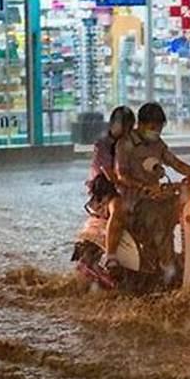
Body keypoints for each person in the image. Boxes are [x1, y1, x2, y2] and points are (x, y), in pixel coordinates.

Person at [109, 102, 190, 275]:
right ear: (140, 124)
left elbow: (176, 163)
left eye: (159, 128)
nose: (156, 132)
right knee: (160, 219)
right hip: (135, 202)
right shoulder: (125, 145)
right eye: (153, 127)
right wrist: (144, 187)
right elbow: (121, 175)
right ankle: (167, 269)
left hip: (158, 195)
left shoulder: (158, 144)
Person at [83, 107, 135, 268]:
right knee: (118, 208)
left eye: (130, 126)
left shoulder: (132, 144)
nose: (127, 130)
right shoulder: (103, 144)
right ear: (114, 124)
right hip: (106, 192)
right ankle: (111, 256)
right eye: (124, 126)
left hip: (129, 188)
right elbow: (110, 174)